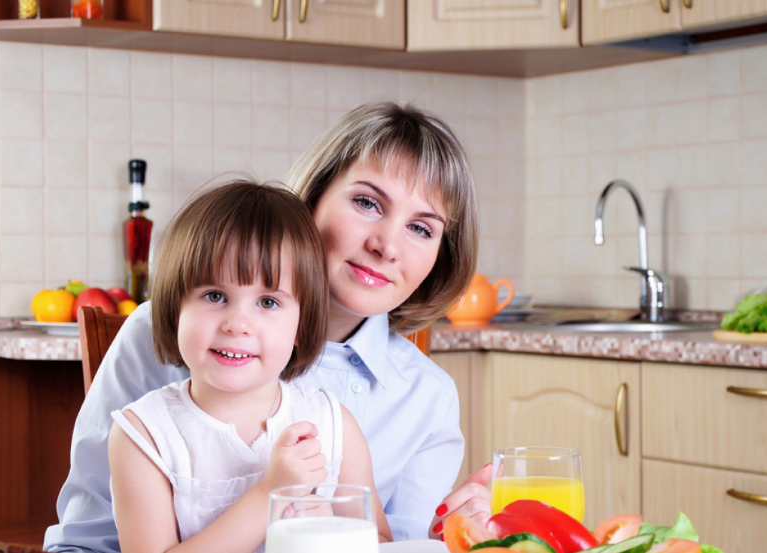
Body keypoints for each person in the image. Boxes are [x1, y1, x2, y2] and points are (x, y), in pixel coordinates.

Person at [45, 101, 483, 552]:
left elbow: (389, 546)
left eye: (421, 229)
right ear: (312, 198)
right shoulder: (167, 340)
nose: (386, 245)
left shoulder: (426, 399)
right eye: (367, 203)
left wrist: (450, 532)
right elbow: (84, 541)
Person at [107, 180, 392, 552]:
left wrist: (330, 525)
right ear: (174, 308)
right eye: (215, 295)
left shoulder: (332, 425)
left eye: (268, 302)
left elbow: (384, 543)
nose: (237, 324)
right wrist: (268, 494)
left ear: (301, 326)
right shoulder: (144, 436)